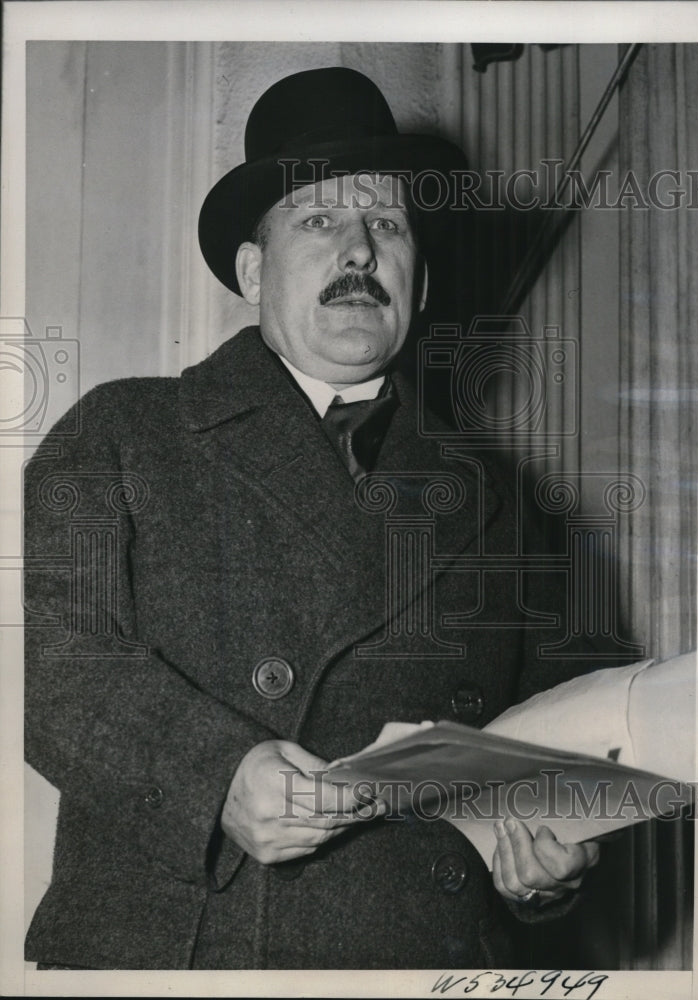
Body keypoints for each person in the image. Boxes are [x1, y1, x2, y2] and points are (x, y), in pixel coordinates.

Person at [25, 67, 605, 971]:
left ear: (418, 284)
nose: (360, 252)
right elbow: (52, 669)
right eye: (319, 219)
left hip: (427, 955)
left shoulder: (509, 504)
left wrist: (550, 864)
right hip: (189, 953)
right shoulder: (124, 432)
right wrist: (214, 777)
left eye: (386, 223)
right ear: (255, 270)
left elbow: (574, 729)